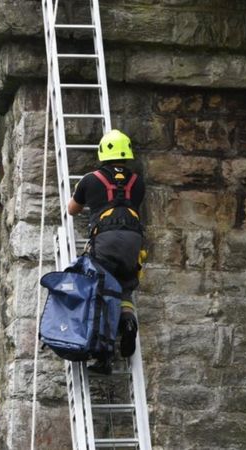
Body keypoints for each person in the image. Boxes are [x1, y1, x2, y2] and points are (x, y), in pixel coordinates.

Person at [67, 129, 145, 372]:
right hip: (134, 241)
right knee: (125, 285)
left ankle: (104, 356)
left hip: (106, 241)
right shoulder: (137, 182)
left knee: (102, 290)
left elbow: (72, 210)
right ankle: (128, 321)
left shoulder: (90, 180)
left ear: (102, 153)